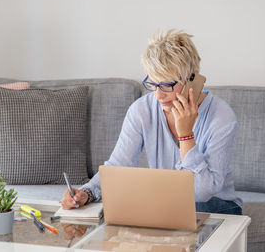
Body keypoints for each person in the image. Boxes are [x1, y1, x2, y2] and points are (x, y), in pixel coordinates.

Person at [61, 29, 242, 215]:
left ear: (191, 81)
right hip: (167, 205)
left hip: (218, 206)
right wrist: (87, 193)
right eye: (153, 84)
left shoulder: (222, 118)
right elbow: (117, 165)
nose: (158, 95)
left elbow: (202, 192)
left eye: (166, 85)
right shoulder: (142, 110)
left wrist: (186, 134)